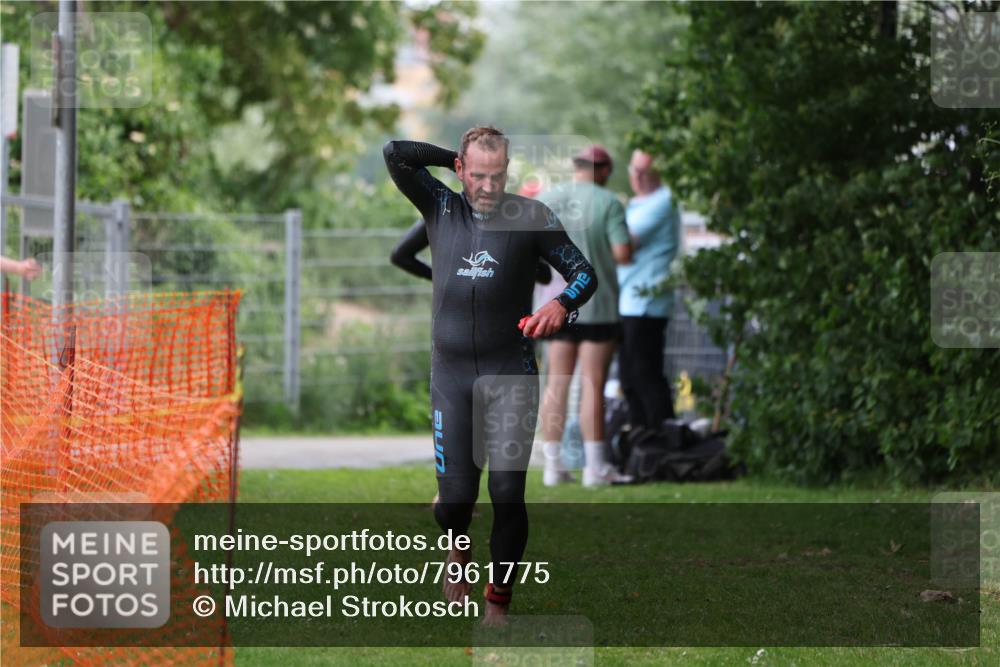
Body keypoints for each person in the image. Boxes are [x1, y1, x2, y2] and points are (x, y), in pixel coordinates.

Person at [383, 127, 597, 625]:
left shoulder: (531, 217)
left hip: (510, 374)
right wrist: (452, 158)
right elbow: (395, 153)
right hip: (451, 376)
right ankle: (456, 550)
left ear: (508, 171)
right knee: (454, 504)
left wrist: (562, 307)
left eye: (497, 176)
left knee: (506, 492)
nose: (486, 187)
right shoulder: (440, 205)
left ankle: (496, 605)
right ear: (460, 170)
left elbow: (584, 273)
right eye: (477, 175)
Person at [535, 145, 633, 487]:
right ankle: (594, 468)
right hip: (598, 305)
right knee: (593, 384)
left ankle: (552, 467)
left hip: (554, 306)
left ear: (576, 166)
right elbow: (622, 253)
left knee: (556, 384)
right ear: (603, 170)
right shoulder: (608, 203)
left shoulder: (548, 199)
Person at [617, 150, 681, 429]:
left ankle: (663, 439)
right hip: (627, 300)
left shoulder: (663, 201)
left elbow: (622, 248)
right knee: (629, 377)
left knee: (645, 374)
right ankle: (641, 441)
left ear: (658, 172)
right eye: (635, 169)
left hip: (645, 302)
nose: (638, 176)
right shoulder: (637, 204)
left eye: (645, 170)